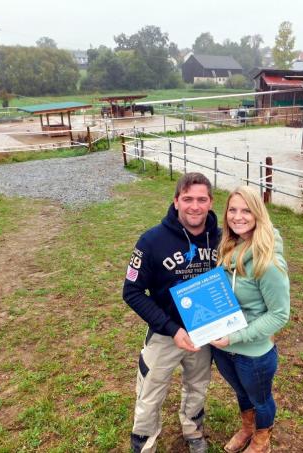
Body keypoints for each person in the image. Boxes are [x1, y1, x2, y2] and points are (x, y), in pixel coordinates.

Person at [123, 173, 221, 453]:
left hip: (204, 332)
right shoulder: (151, 241)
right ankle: (144, 442)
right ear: (176, 201)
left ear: (210, 203)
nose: (195, 206)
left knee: (197, 387)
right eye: (187, 199)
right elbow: (131, 292)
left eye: (202, 199)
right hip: (165, 333)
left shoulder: (220, 238)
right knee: (149, 393)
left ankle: (193, 430)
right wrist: (171, 328)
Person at [210, 186, 291, 453]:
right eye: (232, 210)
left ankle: (262, 438)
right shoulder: (229, 246)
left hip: (253, 353)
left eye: (246, 210)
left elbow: (279, 314)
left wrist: (235, 336)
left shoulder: (268, 263)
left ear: (258, 214)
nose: (238, 216)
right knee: (242, 394)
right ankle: (247, 428)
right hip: (223, 348)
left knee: (260, 399)